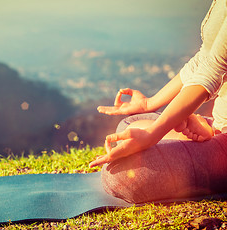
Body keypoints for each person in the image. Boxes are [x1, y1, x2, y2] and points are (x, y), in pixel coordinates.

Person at [89, 0, 227, 203]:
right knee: (131, 124)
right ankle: (210, 137)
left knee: (120, 174)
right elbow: (206, 58)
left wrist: (153, 134)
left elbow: (214, 69)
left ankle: (212, 143)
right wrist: (149, 104)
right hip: (220, 124)